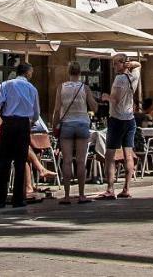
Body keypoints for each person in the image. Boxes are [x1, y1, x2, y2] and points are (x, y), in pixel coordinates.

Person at [0, 61, 40, 209]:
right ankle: (18, 199)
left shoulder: (6, 85)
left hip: (9, 124)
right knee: (20, 162)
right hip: (24, 124)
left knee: (4, 162)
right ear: (28, 73)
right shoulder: (32, 88)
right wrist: (30, 121)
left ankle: (0, 199)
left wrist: (6, 106)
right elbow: (36, 113)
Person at [52, 60, 97, 204]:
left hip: (67, 125)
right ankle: (82, 195)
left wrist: (54, 126)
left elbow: (57, 109)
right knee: (81, 161)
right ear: (80, 73)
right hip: (82, 124)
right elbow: (94, 107)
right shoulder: (84, 88)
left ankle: (66, 196)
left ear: (68, 72)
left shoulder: (61, 87)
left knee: (66, 161)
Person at [100, 53, 140, 199]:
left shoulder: (119, 79)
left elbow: (115, 99)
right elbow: (139, 65)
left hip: (117, 119)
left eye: (116, 63)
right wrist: (131, 64)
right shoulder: (134, 76)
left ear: (123, 63)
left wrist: (105, 97)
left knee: (110, 155)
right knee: (128, 155)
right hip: (130, 120)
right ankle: (126, 188)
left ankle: (110, 189)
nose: (113, 66)